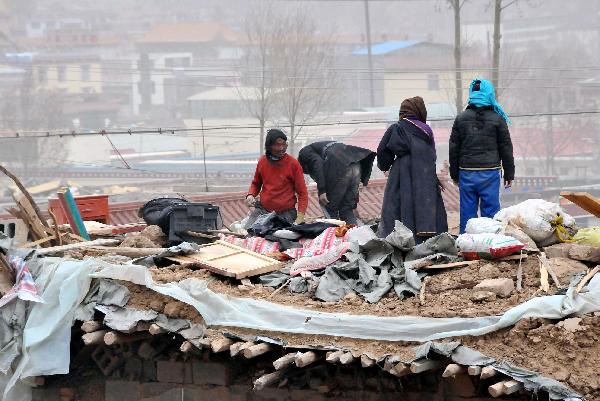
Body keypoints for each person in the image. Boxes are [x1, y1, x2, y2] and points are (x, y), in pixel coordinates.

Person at [377, 96, 447, 241]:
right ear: (420, 111)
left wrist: (385, 166)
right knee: (425, 204)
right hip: (424, 173)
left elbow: (382, 150)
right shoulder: (426, 130)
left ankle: (400, 242)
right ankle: (426, 242)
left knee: (398, 206)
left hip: (400, 173)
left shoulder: (396, 128)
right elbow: (432, 154)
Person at [449, 78, 514, 234]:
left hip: (466, 172)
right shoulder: (498, 119)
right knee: (491, 214)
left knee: (467, 215)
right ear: (489, 94)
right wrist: (509, 174)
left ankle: (467, 245)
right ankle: (490, 246)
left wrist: (455, 175)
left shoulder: (461, 118)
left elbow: (454, 149)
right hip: (490, 173)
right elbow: (506, 148)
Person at [298, 141, 376, 225]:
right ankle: (355, 235)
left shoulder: (304, 153)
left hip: (339, 165)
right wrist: (353, 204)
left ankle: (335, 233)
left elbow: (317, 164)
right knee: (346, 209)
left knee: (328, 205)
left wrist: (322, 190)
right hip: (356, 165)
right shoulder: (322, 147)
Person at [245, 129, 308, 227]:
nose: (281, 148)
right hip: (263, 211)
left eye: (284, 145)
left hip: (286, 214)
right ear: (269, 146)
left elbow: (302, 193)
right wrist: (250, 195)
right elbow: (256, 183)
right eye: (277, 145)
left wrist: (300, 216)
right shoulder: (262, 161)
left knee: (280, 237)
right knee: (248, 232)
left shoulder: (293, 164)